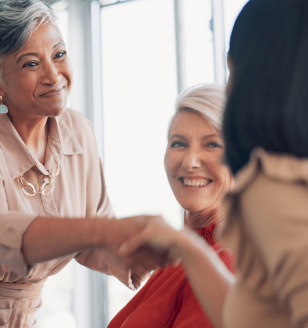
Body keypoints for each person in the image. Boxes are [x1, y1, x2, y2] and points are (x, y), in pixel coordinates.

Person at [121, 0, 308, 327]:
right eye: (177, 143)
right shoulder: (189, 255)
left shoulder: (272, 193)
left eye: (234, 73)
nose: (191, 161)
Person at [0, 1, 165, 327]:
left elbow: (94, 235)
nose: (53, 76)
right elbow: (8, 241)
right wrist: (107, 232)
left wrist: (131, 256)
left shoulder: (77, 130)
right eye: (31, 63)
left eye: (59, 55)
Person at [108, 83, 234, 328]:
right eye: (178, 144)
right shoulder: (178, 257)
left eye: (212, 144)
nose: (190, 162)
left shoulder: (227, 264)